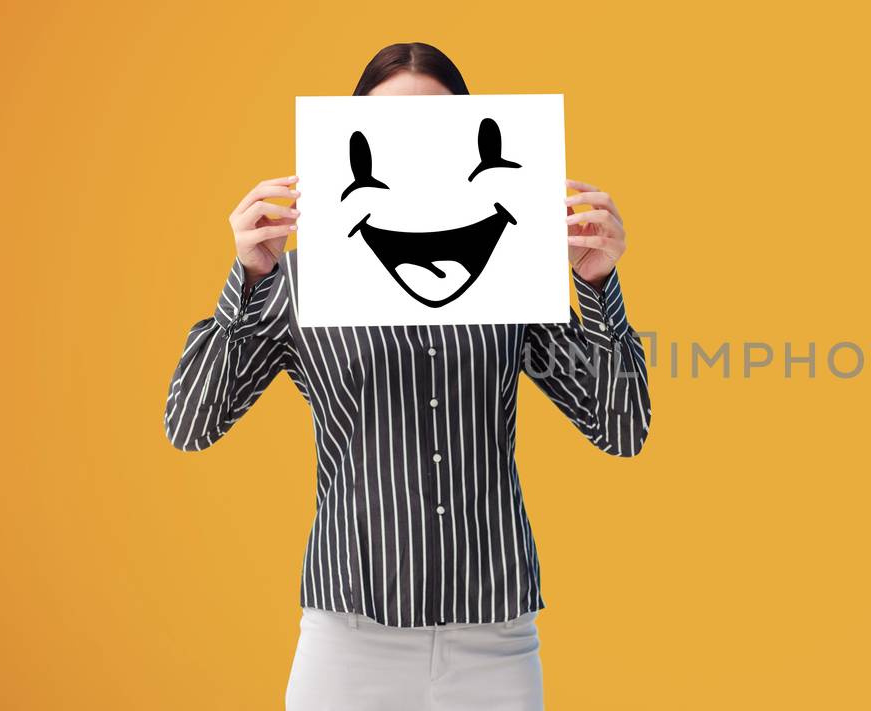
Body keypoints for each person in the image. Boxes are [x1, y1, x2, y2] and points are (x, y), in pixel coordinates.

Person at [161, 42, 651, 711]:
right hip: (348, 642)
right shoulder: (298, 285)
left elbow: (620, 427)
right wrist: (247, 279)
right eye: (390, 137)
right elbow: (190, 423)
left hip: (496, 641)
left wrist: (596, 284)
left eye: (440, 136)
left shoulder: (513, 276)